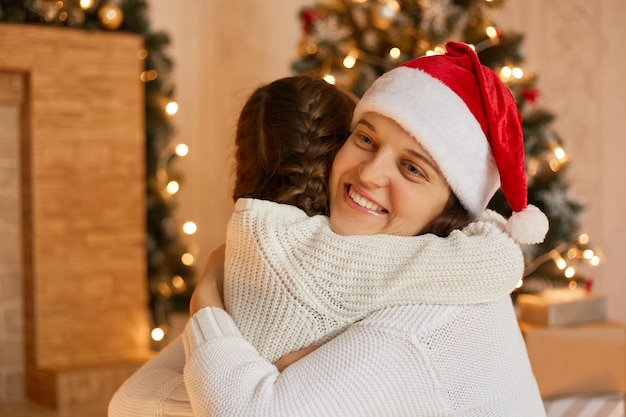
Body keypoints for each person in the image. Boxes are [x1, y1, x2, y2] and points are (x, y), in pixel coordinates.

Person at [110, 43, 548, 416]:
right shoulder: (342, 264)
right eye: (365, 139)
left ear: (453, 207)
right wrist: (243, 372)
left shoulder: (422, 322)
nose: (371, 173)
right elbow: (130, 402)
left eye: (413, 168)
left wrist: (207, 299)